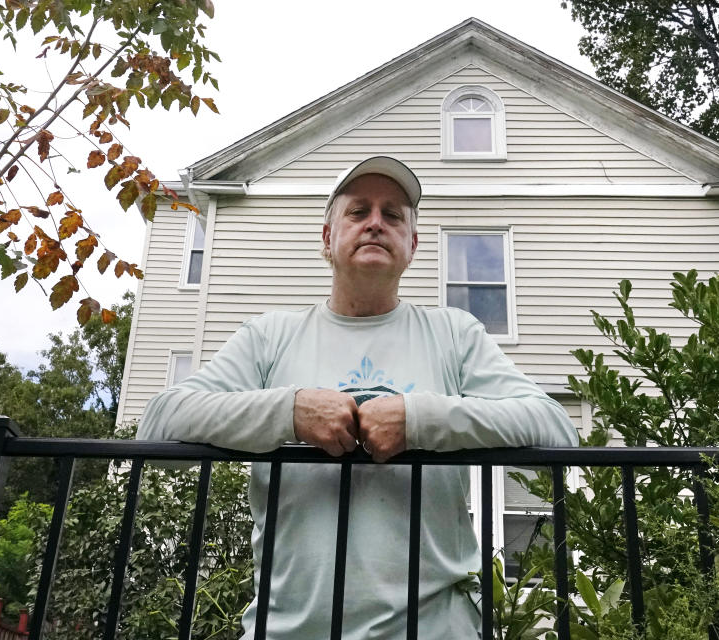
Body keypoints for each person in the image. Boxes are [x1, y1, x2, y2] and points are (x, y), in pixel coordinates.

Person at [137, 156, 578, 639]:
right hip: (288, 630)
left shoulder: (454, 334)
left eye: (393, 215)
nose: (375, 222)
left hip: (435, 629)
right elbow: (159, 424)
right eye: (357, 211)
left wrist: (419, 419)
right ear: (328, 238)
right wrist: (291, 411)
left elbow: (555, 429)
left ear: (412, 244)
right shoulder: (269, 337)